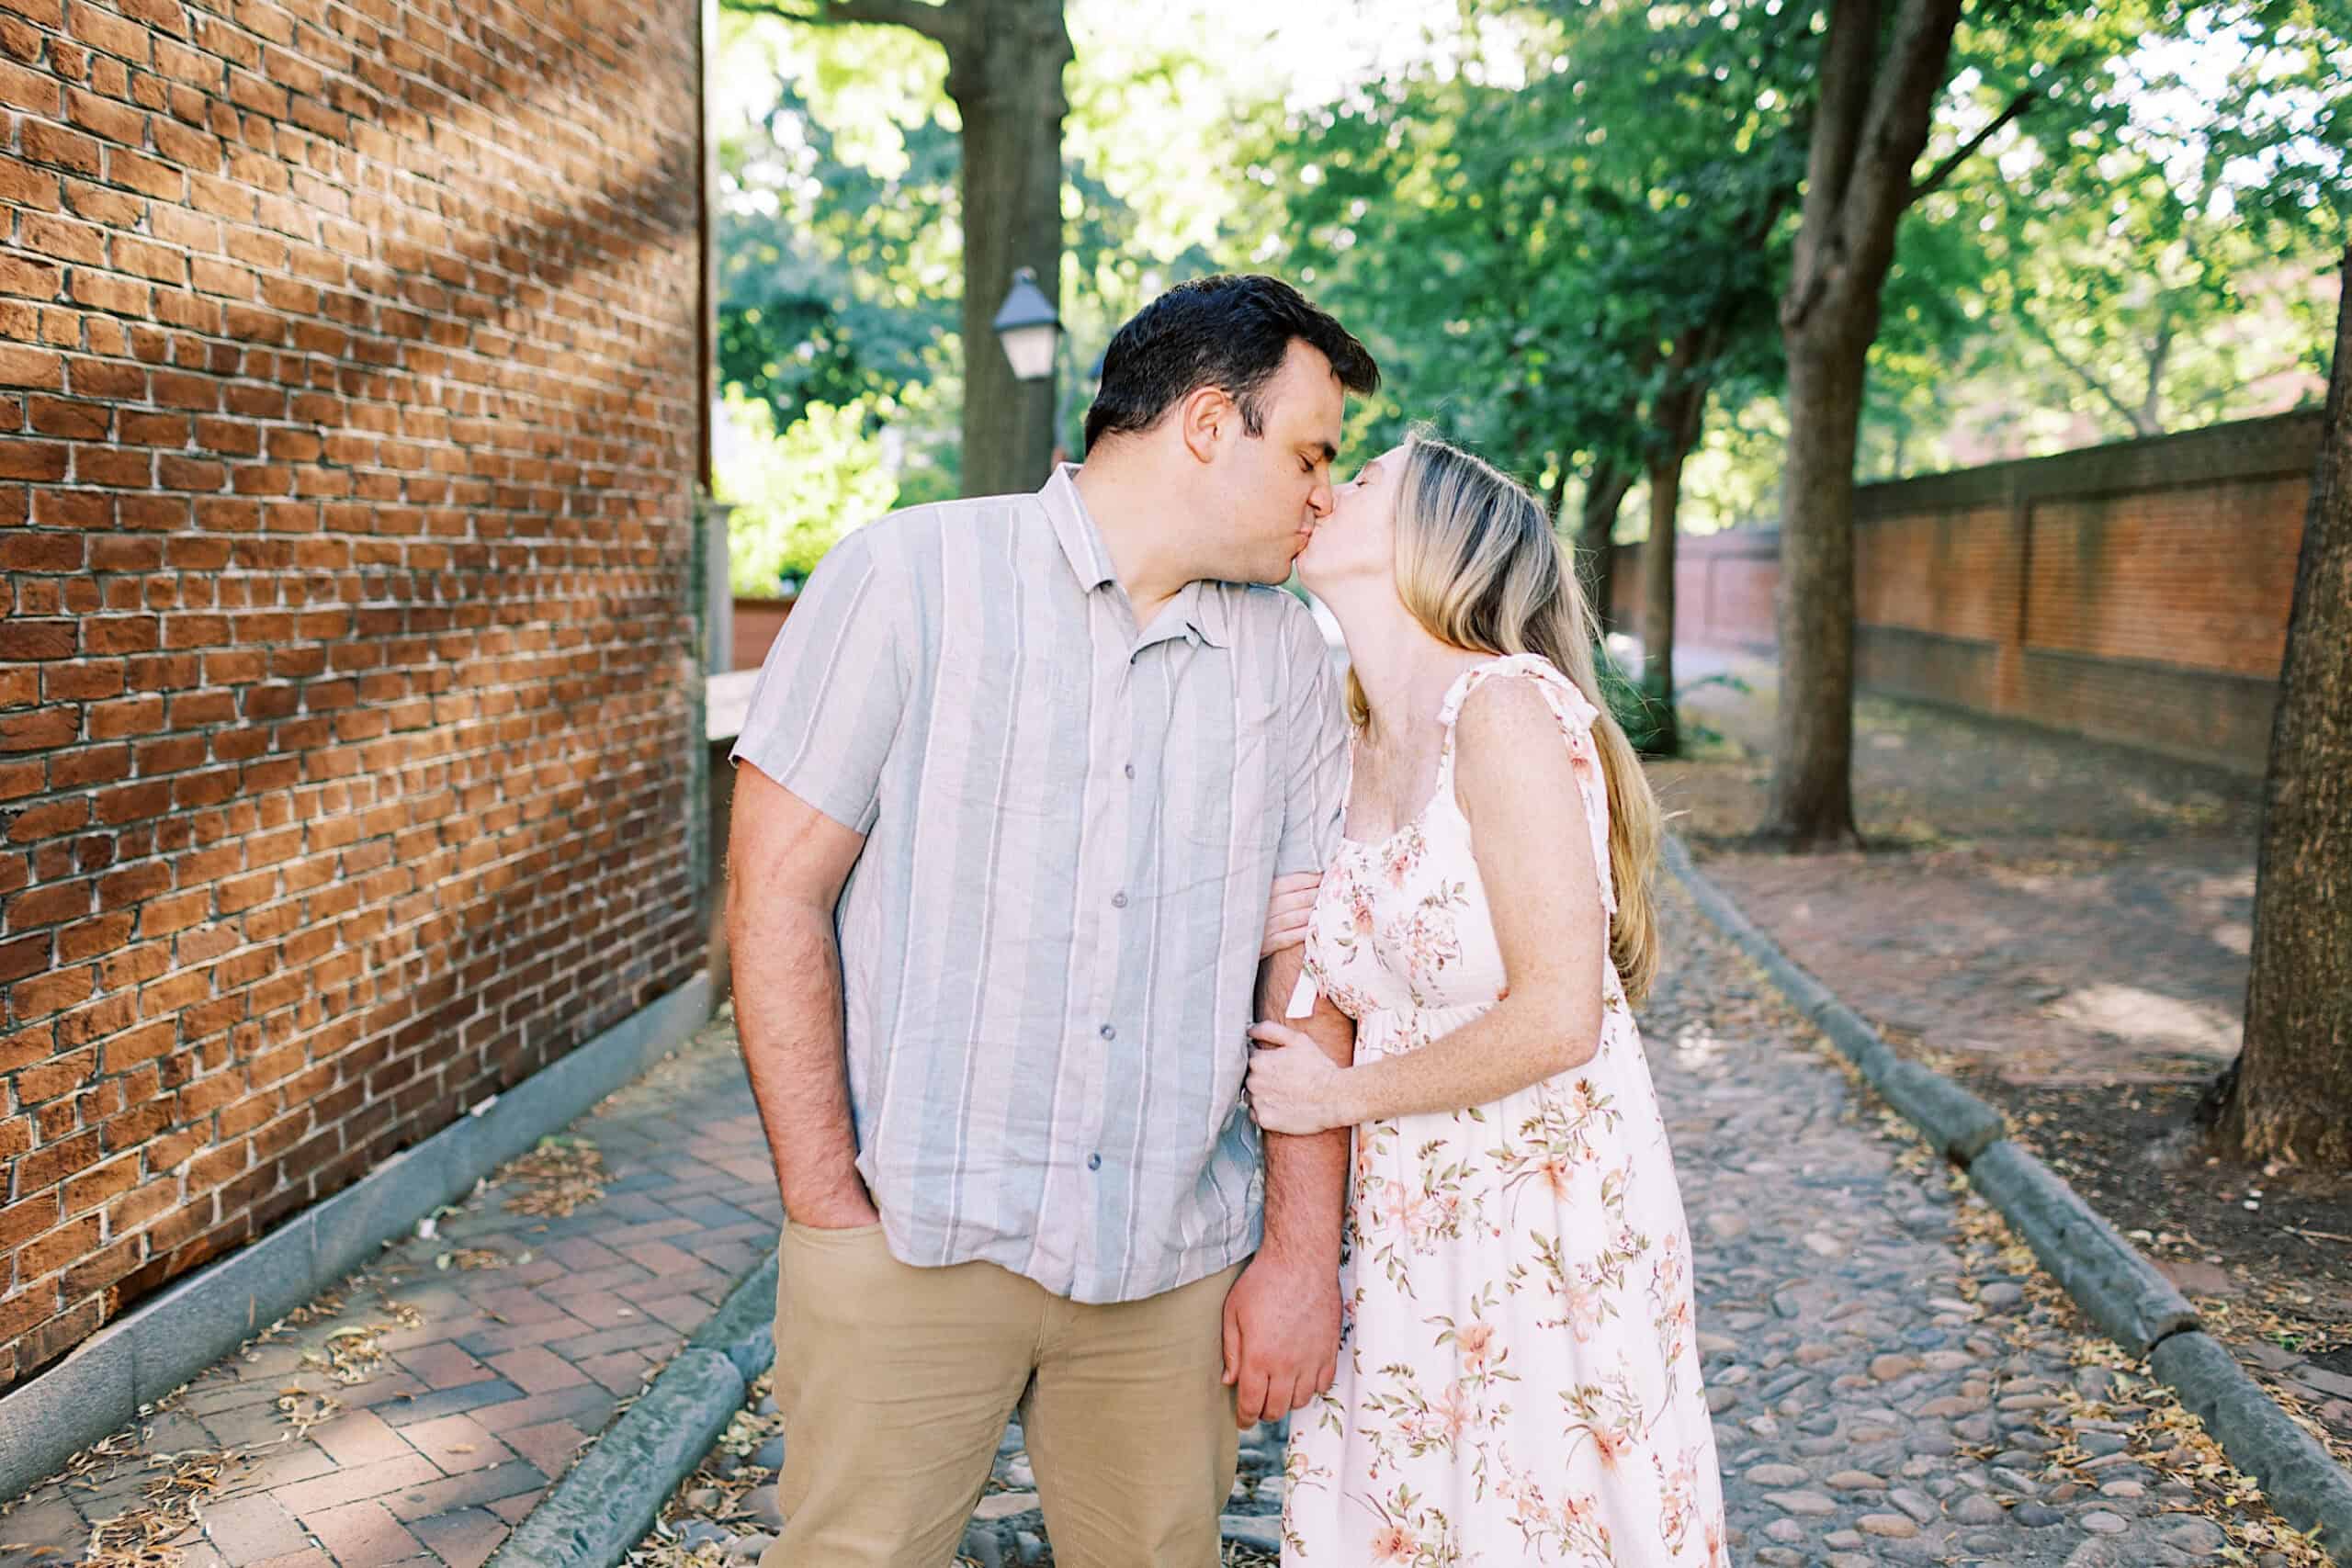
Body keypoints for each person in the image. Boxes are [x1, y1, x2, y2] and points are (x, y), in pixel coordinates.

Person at [724, 274, 1376, 1567]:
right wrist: (823, 1202)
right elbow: (773, 894)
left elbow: (1306, 970)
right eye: (1309, 452)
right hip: (911, 1239)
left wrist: (1301, 1253)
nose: (1326, 494)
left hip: (1174, 1266)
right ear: (1205, 423)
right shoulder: (908, 577)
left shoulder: (1295, 658)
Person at [1244, 433, 1728, 1564]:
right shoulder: (1348, 730)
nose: (1327, 488)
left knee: (1546, 1512)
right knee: (1425, 1514)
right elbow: (1331, 979)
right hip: (1412, 1217)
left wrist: (1337, 1096)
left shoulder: (1503, 709)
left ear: (1438, 545)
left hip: (1543, 1210)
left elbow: (1562, 1012)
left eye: (1361, 482)